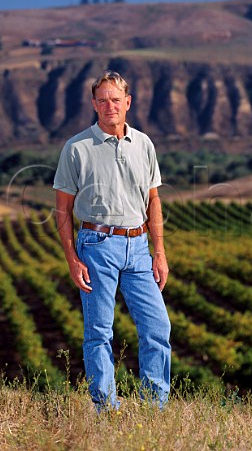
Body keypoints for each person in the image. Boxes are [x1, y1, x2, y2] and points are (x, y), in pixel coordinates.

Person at [53, 70, 171, 411]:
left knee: (157, 327)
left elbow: (154, 201)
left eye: (116, 100)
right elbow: (62, 209)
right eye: (102, 100)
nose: (109, 106)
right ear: (93, 104)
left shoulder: (144, 144)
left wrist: (159, 254)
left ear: (128, 102)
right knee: (99, 331)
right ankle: (105, 408)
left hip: (138, 247)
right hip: (96, 245)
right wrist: (72, 259)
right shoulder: (76, 148)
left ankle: (155, 408)